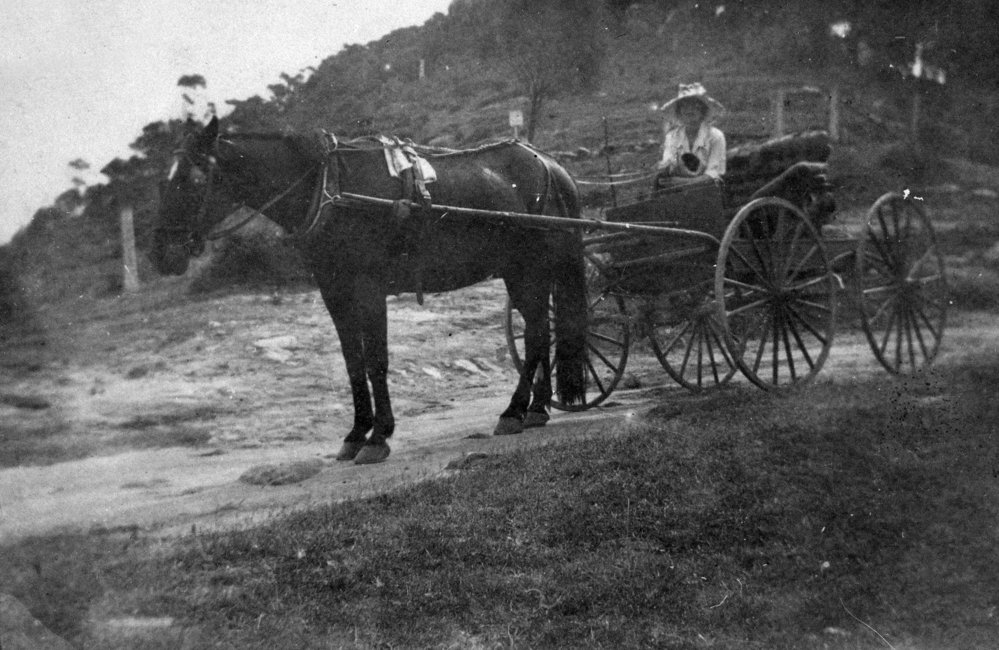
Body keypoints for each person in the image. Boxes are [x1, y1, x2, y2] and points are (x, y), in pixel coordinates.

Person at [656, 82, 726, 181]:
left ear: (703, 110)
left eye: (694, 105)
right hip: (677, 189)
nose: (689, 110)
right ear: (679, 112)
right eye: (684, 106)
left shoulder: (715, 136)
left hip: (707, 189)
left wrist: (685, 182)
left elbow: (713, 173)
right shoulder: (672, 136)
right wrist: (664, 167)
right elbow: (668, 163)